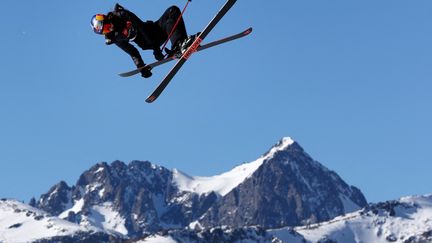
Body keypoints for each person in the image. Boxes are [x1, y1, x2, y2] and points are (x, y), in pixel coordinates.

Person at [91, 3, 196, 78]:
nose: (109, 29)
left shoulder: (122, 15)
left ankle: (179, 45)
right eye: (105, 30)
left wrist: (156, 48)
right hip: (147, 42)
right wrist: (141, 67)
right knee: (172, 11)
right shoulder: (114, 38)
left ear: (107, 19)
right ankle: (178, 47)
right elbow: (132, 51)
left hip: (152, 32)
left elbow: (141, 27)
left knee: (172, 11)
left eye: (107, 25)